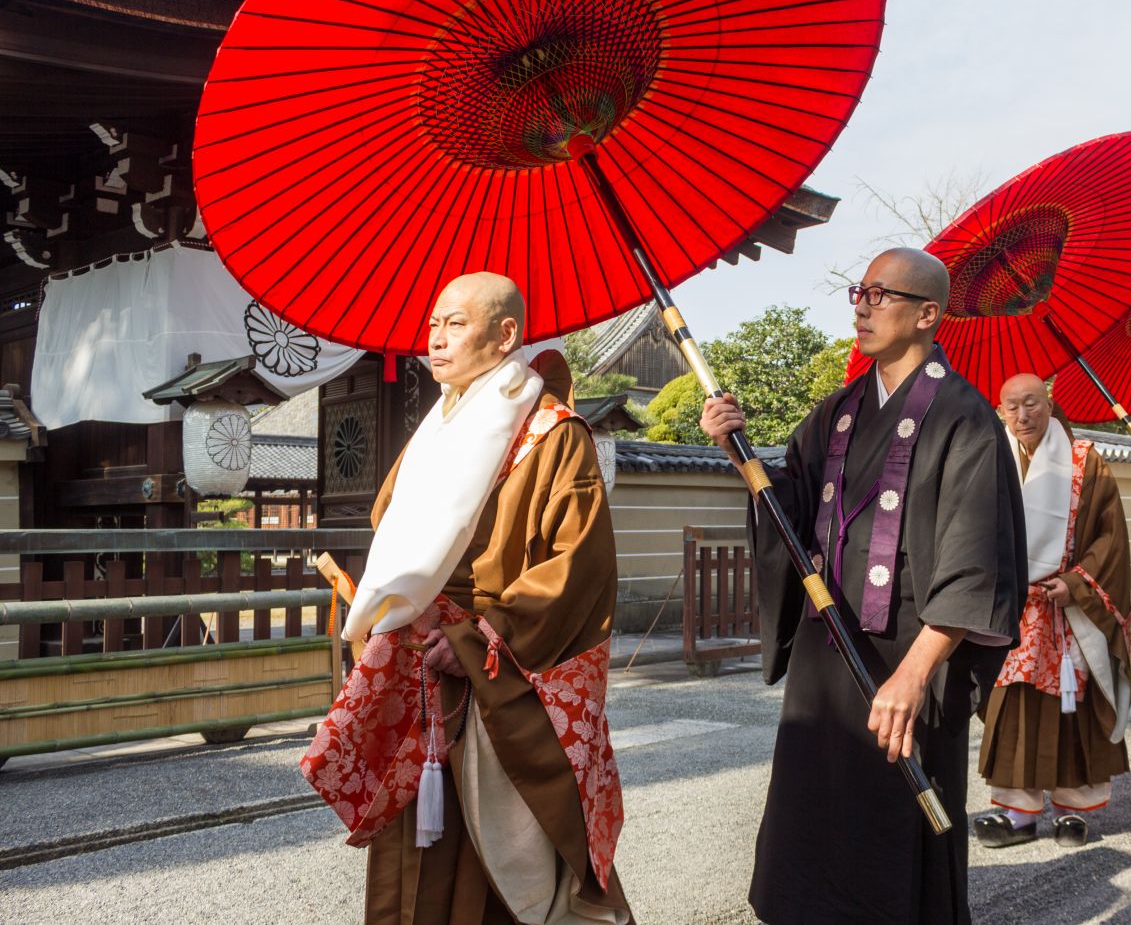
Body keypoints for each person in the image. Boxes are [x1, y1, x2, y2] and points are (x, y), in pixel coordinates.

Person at [700, 248, 1025, 925]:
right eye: (860, 291)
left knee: (893, 830)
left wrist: (914, 674)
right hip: (829, 652)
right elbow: (788, 507)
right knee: (812, 816)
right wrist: (740, 451)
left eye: (882, 294)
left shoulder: (967, 419)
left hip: (906, 657)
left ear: (928, 313)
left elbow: (975, 559)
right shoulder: (838, 412)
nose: (863, 305)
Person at [329, 273, 631, 925]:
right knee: (413, 856)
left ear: (506, 335)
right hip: (421, 667)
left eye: (455, 324)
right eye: (433, 323)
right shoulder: (438, 425)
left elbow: (577, 566)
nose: (436, 338)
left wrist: (477, 637)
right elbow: (393, 526)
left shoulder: (552, 433)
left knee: (505, 866)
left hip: (493, 677)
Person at [975, 374, 1131, 849]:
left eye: (1032, 404)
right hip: (1011, 609)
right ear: (1000, 410)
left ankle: (1072, 808)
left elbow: (1111, 536)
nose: (1023, 416)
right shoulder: (989, 458)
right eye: (1012, 407)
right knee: (1012, 708)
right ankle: (1016, 810)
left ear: (1049, 404)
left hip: (1070, 608)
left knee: (1072, 707)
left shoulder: (1086, 461)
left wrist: (1078, 581)